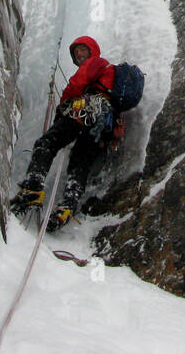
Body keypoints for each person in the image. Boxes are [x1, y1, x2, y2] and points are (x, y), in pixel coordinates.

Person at [10, 35, 117, 232]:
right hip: (101, 124)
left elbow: (76, 84)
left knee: (47, 143)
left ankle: (33, 186)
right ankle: (67, 206)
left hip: (85, 113)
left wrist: (62, 107)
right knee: (79, 163)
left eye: (83, 50)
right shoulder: (105, 74)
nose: (79, 55)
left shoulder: (96, 63)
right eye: (76, 53)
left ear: (92, 51)